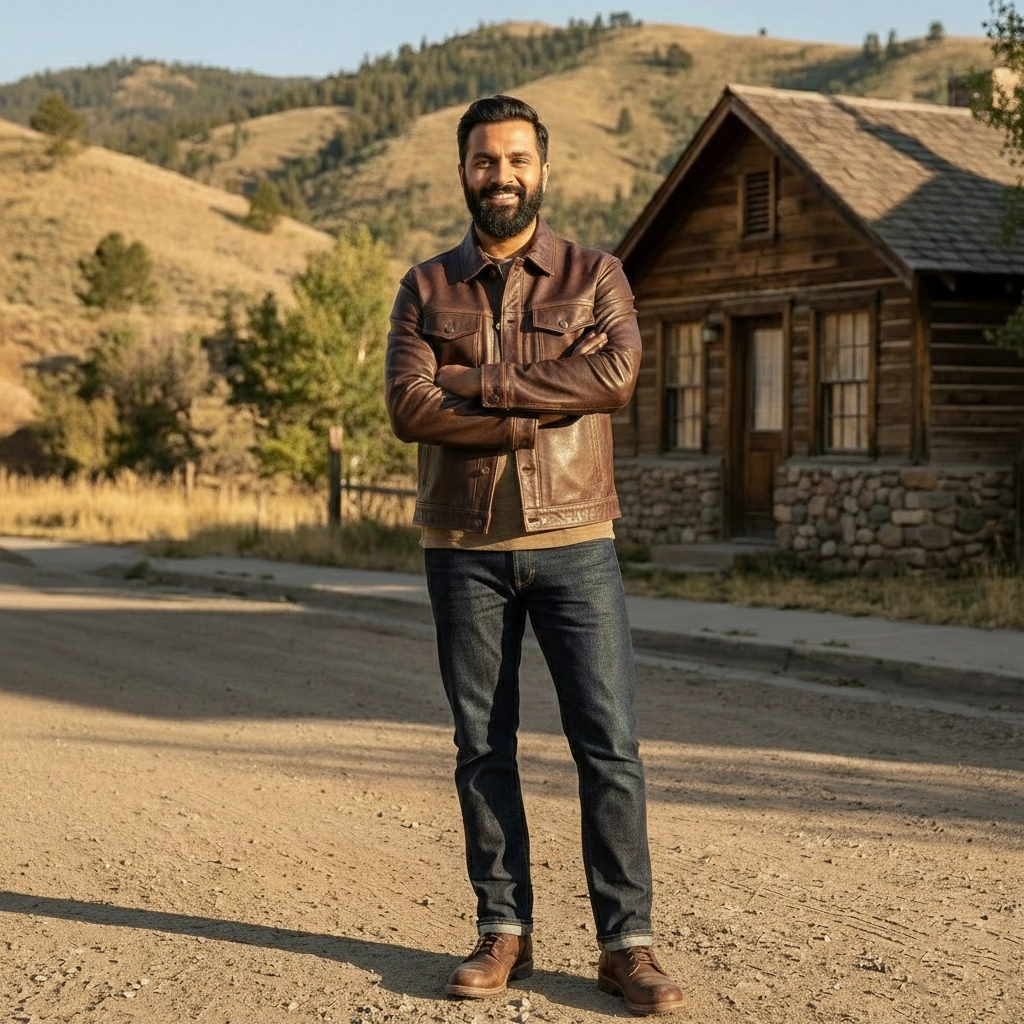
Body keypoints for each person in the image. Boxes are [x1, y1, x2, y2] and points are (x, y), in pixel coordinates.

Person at [384, 95, 684, 1016]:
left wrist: (475, 381)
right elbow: (408, 409)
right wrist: (540, 399)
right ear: (463, 169)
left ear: (543, 170)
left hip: (577, 544)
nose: (501, 176)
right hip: (462, 550)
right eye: (485, 160)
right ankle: (502, 931)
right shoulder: (425, 287)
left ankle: (625, 947)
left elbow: (614, 377)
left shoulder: (598, 276)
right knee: (483, 747)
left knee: (611, 747)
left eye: (517, 160)